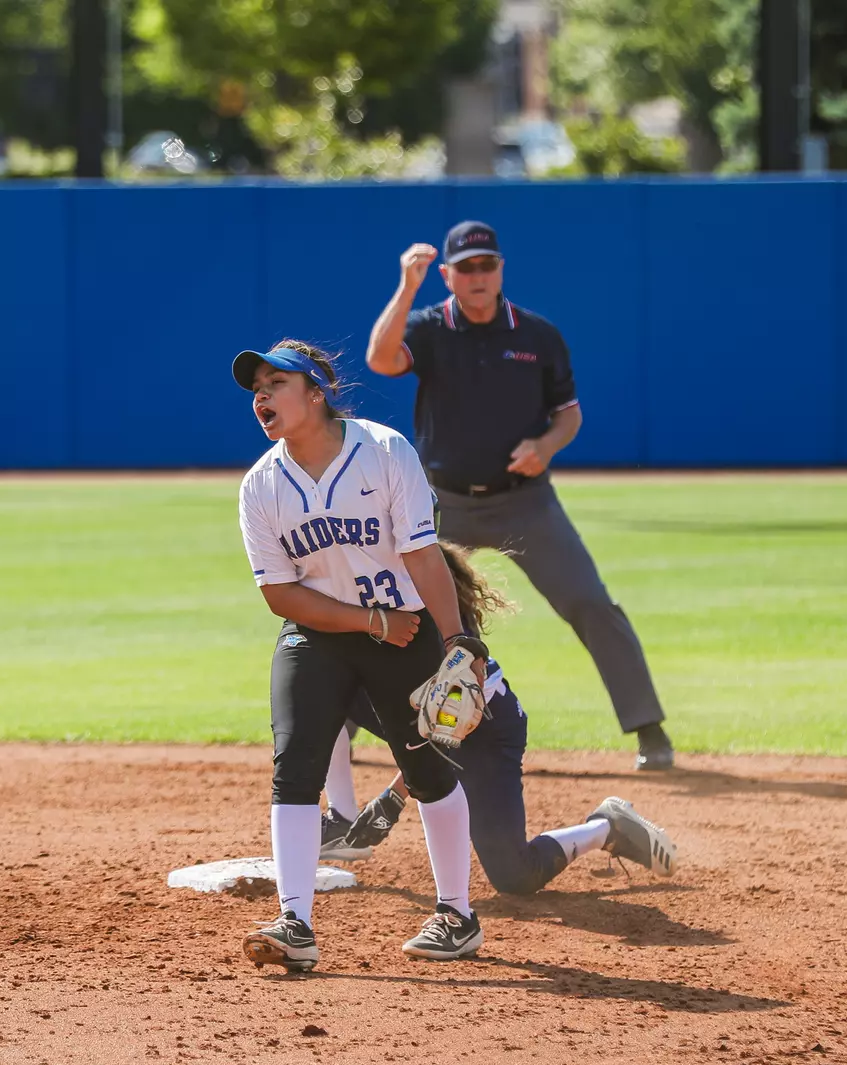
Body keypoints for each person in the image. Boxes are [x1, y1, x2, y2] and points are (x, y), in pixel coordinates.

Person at [365, 220, 677, 772]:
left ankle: (649, 729)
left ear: (501, 269)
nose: (478, 276)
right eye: (466, 268)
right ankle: (343, 725)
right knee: (399, 607)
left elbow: (569, 413)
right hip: (443, 504)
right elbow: (381, 360)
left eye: (487, 265)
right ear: (448, 276)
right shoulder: (431, 328)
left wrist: (547, 445)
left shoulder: (537, 336)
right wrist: (407, 286)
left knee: (590, 602)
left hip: (523, 501)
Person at [233, 338, 490, 972]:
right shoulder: (261, 485)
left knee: (428, 772)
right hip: (323, 632)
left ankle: (457, 914)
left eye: (277, 383)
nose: (261, 395)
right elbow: (279, 594)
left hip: (404, 630)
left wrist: (457, 639)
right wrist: (369, 622)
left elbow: (423, 554)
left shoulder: (382, 451)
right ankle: (295, 921)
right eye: (255, 387)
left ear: (315, 393)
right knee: (294, 766)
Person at [319, 540, 677, 894]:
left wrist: (393, 798)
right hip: (427, 716)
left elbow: (449, 725)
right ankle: (341, 817)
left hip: (481, 731)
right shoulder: (364, 588)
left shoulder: (431, 621)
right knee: (322, 678)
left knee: (515, 877)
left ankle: (607, 827)